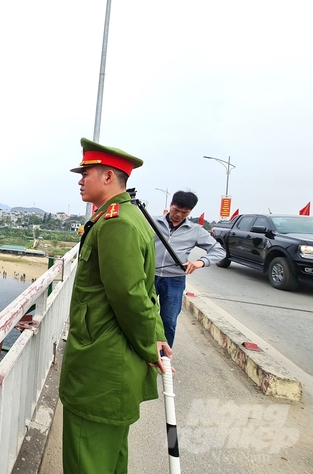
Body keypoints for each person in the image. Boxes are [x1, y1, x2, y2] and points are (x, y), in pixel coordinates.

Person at [59, 138, 171, 473]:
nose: (80, 180)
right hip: (112, 362)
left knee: (88, 459)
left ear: (108, 177)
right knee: (111, 457)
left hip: (101, 365)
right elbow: (143, 291)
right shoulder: (126, 215)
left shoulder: (116, 223)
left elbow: (131, 295)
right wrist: (157, 337)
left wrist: (152, 347)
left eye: (86, 172)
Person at [152, 191, 226, 347]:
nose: (178, 215)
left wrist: (202, 262)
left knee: (169, 320)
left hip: (174, 280)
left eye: (184, 212)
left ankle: (164, 357)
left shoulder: (195, 230)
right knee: (143, 317)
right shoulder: (151, 222)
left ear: (190, 211)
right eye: (176, 210)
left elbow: (219, 250)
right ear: (170, 205)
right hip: (149, 276)